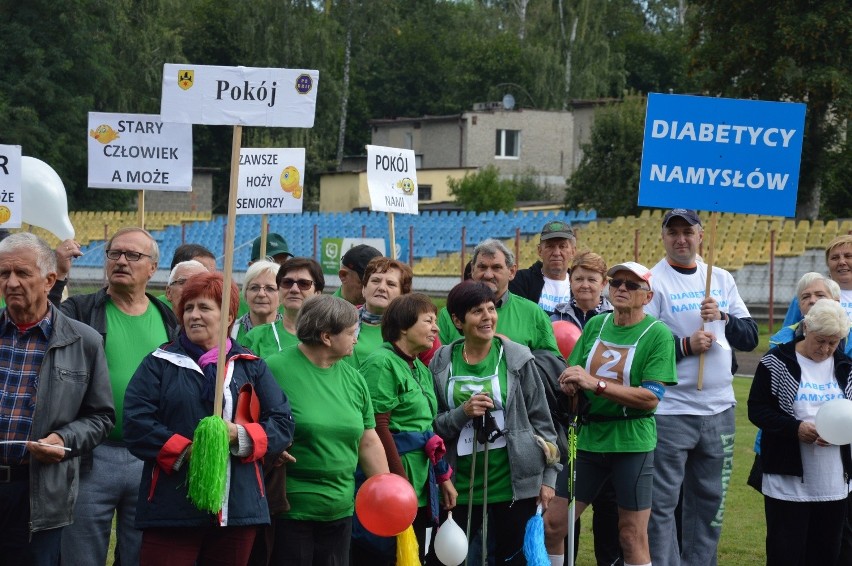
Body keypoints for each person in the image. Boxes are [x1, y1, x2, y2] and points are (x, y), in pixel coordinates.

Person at [123, 272, 295, 566]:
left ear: (228, 315)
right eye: (188, 308)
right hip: (172, 507)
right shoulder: (159, 363)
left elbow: (282, 422)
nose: (194, 316)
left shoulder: (250, 366)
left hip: (238, 506)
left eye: (204, 308)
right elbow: (136, 423)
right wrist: (191, 450)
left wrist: (238, 436)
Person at [644, 209, 758, 566]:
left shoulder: (720, 279)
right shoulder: (653, 282)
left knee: (709, 504)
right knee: (662, 504)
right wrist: (685, 346)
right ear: (663, 237)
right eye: (673, 232)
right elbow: (644, 346)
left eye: (687, 232)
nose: (681, 239)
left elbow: (751, 337)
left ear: (700, 235)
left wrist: (724, 316)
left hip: (719, 409)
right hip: (671, 411)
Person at [60, 227, 179, 566]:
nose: (122, 261)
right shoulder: (80, 310)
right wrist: (56, 278)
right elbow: (45, 325)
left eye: (133, 255)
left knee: (141, 557)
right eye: (115, 254)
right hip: (91, 457)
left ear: (152, 268)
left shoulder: (168, 319)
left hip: (151, 458)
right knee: (80, 557)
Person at [0, 233, 114, 565]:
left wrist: (63, 439)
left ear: (50, 279)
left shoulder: (84, 341)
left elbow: (101, 417)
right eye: (3, 274)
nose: (11, 282)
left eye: (22, 273)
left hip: (39, 491)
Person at [430, 280, 560, 565]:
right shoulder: (441, 362)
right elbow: (433, 425)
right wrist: (462, 413)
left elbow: (543, 423)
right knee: (446, 560)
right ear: (457, 320)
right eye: (477, 311)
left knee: (511, 559)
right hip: (457, 486)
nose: (488, 317)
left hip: (514, 485)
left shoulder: (517, 358)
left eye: (491, 309)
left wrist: (549, 479)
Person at [559, 262, 677, 566]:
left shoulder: (658, 333)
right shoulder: (595, 325)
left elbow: (651, 397)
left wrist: (594, 384)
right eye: (616, 282)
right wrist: (570, 384)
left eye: (632, 285)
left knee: (630, 536)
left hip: (631, 442)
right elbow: (575, 372)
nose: (621, 288)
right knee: (554, 525)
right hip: (588, 440)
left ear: (647, 297)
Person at [264, 295, 389, 565]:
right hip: (291, 511)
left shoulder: (353, 378)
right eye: (351, 332)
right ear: (326, 337)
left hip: (340, 510)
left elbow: (368, 439)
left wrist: (385, 491)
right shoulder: (274, 369)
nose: (357, 338)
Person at [352, 293, 457, 564]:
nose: (436, 328)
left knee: (413, 553)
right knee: (384, 554)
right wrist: (397, 480)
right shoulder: (381, 363)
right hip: (392, 478)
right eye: (428, 320)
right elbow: (377, 425)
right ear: (402, 327)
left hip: (420, 478)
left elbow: (426, 428)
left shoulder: (419, 367)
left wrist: (443, 476)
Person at [748, 299, 852, 566]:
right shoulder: (776, 362)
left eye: (834, 342)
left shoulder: (845, 366)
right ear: (806, 327)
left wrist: (840, 431)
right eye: (820, 340)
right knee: (786, 553)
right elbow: (757, 410)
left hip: (833, 481)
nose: (826, 349)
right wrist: (795, 428)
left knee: (826, 553)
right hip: (787, 478)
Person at [549, 251, 620, 566]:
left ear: (604, 283)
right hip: (567, 419)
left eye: (592, 279)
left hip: (607, 419)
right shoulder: (553, 317)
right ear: (570, 280)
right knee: (567, 503)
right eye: (578, 278)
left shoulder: (617, 318)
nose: (585, 285)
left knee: (610, 508)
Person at [438, 238, 560, 355]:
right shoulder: (451, 314)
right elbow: (435, 363)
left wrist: (516, 353)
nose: (488, 275)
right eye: (482, 267)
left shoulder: (533, 314)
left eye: (496, 267)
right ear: (472, 270)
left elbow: (553, 362)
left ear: (512, 272)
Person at [241, 258, 324, 358]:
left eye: (303, 284)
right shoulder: (255, 337)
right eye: (287, 282)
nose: (294, 289)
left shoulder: (330, 338)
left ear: (317, 293)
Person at [346, 257, 414, 368]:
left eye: (391, 284)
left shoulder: (413, 326)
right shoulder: (340, 320)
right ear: (364, 289)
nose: (382, 288)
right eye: (375, 281)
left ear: (403, 294)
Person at [770, 272, 852, 355]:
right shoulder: (779, 341)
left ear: (836, 302)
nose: (812, 300)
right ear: (799, 307)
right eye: (805, 297)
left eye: (820, 295)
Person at [510, 220, 576, 316]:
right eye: (550, 246)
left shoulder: (580, 285)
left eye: (562, 246)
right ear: (540, 251)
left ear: (573, 252)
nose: (556, 253)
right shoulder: (520, 280)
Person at [782, 235, 852, 326]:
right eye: (835, 258)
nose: (842, 262)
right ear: (828, 264)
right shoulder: (807, 296)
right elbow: (785, 337)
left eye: (848, 256)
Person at [231, 260, 281, 342]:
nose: (261, 294)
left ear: (281, 295)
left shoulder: (295, 334)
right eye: (254, 288)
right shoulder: (228, 332)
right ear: (245, 294)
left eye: (270, 288)